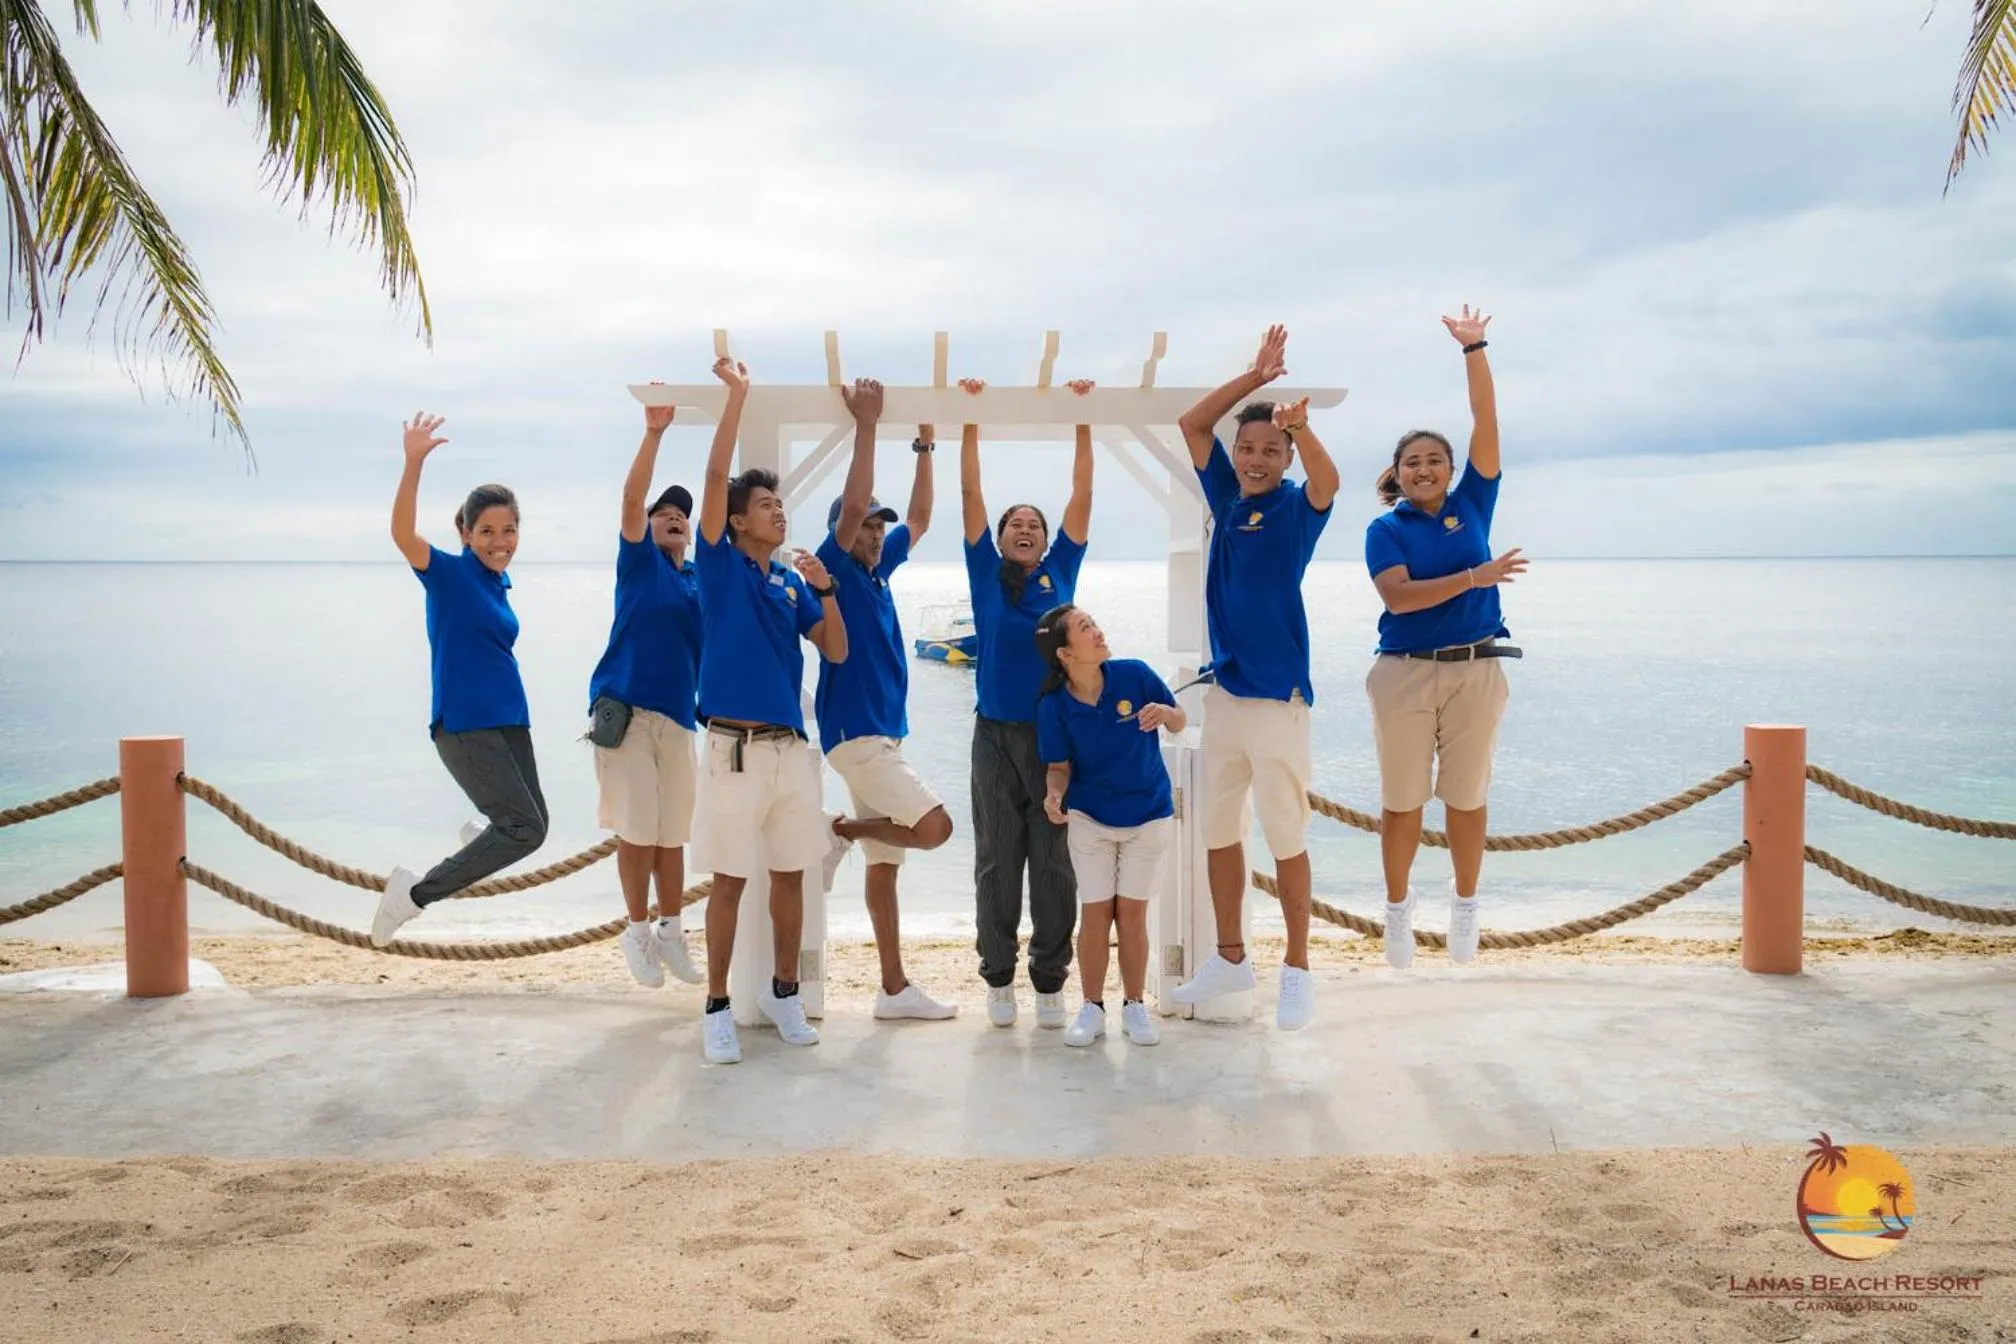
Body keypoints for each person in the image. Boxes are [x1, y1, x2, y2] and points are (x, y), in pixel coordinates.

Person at [1167, 326, 1340, 1030]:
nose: (1257, 459)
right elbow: (1192, 422)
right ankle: (1232, 956)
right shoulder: (1227, 497)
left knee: (1286, 836)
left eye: (1272, 450)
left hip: (1279, 702)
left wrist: (1303, 427)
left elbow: (1329, 483)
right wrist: (1252, 377)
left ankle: (1298, 968)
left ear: (1286, 458)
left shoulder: (1297, 508)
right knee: (1218, 831)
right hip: (1228, 697)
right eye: (1249, 448)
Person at [689, 355, 851, 1065]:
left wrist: (829, 586)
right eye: (764, 505)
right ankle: (717, 1008)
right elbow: (713, 474)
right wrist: (738, 398)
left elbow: (837, 651)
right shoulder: (720, 565)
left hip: (790, 749)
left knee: (792, 876)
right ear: (735, 520)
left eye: (780, 505)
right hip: (732, 749)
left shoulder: (791, 581)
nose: (778, 512)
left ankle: (784, 993)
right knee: (728, 880)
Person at [1364, 306, 1526, 969]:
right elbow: (1399, 597)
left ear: (1450, 468)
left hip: (1477, 669)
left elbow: (1486, 421)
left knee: (1467, 797)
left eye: (1434, 461)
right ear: (1397, 473)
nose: (1424, 470)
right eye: (1412, 463)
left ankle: (1465, 904)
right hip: (1403, 671)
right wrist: (1476, 575)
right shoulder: (1386, 529)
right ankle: (1398, 911)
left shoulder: (1472, 505)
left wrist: (1474, 348)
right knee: (1403, 801)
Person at [375, 414, 548, 946]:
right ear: (466, 533)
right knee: (524, 830)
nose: (500, 541)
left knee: (533, 828)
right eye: (488, 531)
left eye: (509, 529)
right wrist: (413, 461)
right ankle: (412, 896)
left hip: (509, 721)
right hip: (467, 724)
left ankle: (483, 833)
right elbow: (402, 534)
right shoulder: (448, 574)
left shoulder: (500, 584)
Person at [816, 378, 959, 1021]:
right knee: (934, 827)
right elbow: (848, 513)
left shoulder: (876, 573)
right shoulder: (838, 567)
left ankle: (893, 989)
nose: (874, 534)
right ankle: (836, 830)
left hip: (880, 734)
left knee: (886, 865)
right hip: (857, 735)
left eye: (878, 528)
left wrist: (926, 447)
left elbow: (922, 519)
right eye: (866, 526)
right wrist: (867, 426)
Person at [961, 376, 1096, 1030]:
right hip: (993, 735)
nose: (1023, 528)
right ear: (1002, 537)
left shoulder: (1061, 573)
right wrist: (968, 421)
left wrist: (1082, 422)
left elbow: (1083, 496)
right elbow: (969, 497)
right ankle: (997, 977)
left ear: (1046, 542)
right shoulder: (987, 576)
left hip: (1054, 737)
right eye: (1014, 522)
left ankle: (1049, 979)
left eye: (1033, 525)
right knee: (996, 861)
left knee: (1054, 865)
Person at [585, 390, 704, 989]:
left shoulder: (696, 578)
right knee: (637, 831)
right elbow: (631, 498)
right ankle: (635, 930)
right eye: (665, 512)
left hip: (680, 719)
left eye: (682, 514)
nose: (674, 516)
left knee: (671, 833)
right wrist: (654, 434)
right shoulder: (638, 562)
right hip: (626, 714)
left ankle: (672, 932)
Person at [1034, 604, 1186, 1049]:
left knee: (1132, 913)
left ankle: (1134, 1006)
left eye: (1095, 623)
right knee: (1096, 912)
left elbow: (1179, 720)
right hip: (1090, 819)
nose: (1098, 632)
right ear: (1065, 653)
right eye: (1086, 629)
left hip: (1148, 815)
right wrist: (1053, 794)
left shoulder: (1135, 675)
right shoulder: (1053, 706)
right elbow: (1058, 767)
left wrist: (1163, 711)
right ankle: (1092, 1008)